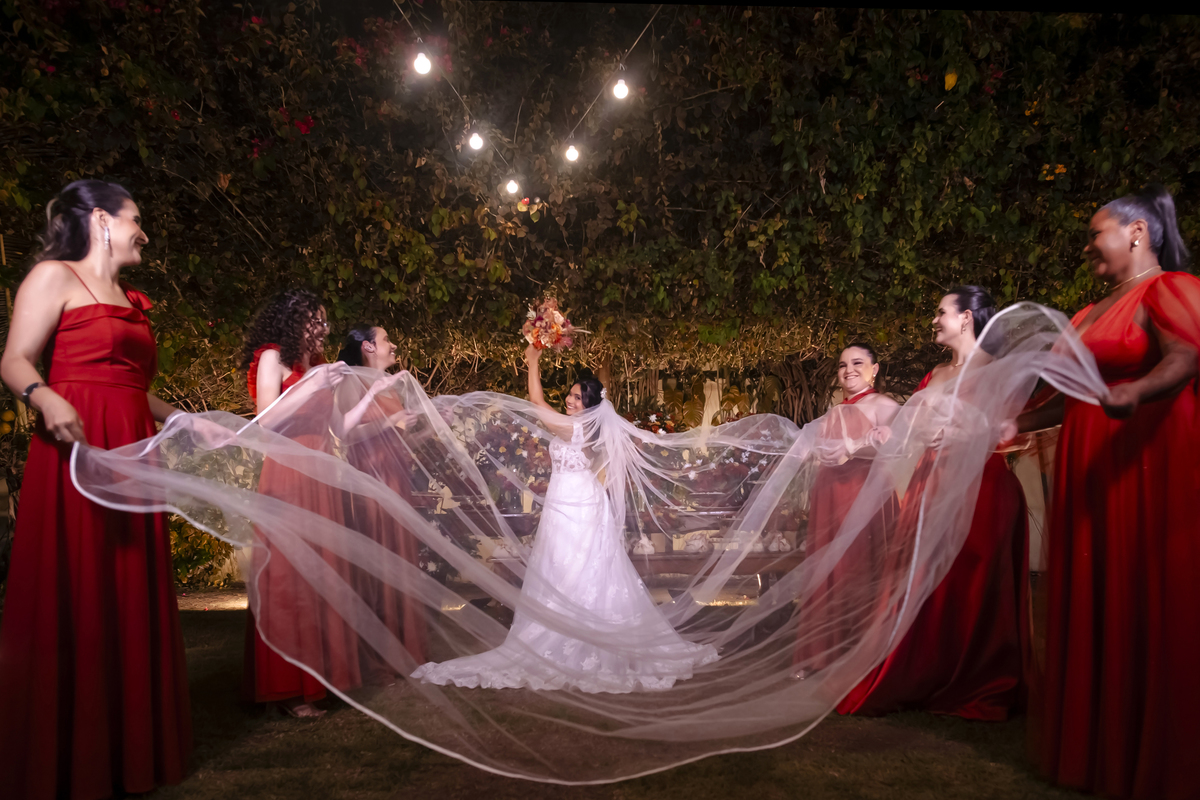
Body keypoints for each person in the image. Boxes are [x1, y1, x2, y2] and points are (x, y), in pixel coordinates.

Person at [0, 180, 191, 798]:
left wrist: (181, 420)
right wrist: (45, 394)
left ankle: (129, 748)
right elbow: (14, 360)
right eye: (138, 219)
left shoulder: (133, 300)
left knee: (128, 583)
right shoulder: (54, 277)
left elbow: (132, 385)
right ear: (103, 220)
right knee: (79, 581)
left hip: (132, 448)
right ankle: (68, 752)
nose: (145, 232)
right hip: (76, 445)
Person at [1011, 185, 1200, 799]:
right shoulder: (1089, 314)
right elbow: (1068, 394)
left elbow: (1184, 359)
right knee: (1097, 593)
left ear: (1138, 231)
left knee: (1146, 590)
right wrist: (1014, 425)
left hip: (1147, 461)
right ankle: (1103, 745)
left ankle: (1157, 751)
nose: (1089, 244)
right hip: (1088, 467)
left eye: (1098, 232)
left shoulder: (1169, 290)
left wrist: (1135, 393)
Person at [409, 343, 718, 692]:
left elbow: (536, 402)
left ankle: (573, 637)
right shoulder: (584, 428)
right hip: (575, 501)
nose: (569, 400)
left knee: (573, 570)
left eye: (576, 397)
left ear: (589, 405)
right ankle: (577, 628)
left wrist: (533, 362)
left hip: (575, 506)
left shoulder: (574, 429)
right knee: (574, 570)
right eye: (570, 394)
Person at [838, 286, 1031, 721]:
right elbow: (915, 430)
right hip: (931, 482)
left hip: (981, 485)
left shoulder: (1002, 371)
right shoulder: (935, 375)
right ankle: (926, 671)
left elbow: (1017, 431)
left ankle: (978, 677)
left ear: (966, 318)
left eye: (940, 312)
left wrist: (972, 436)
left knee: (973, 581)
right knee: (922, 579)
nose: (934, 319)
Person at [242, 290, 360, 717]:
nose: (323, 328)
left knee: (323, 572)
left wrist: (362, 391)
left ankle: (322, 678)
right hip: (288, 471)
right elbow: (265, 419)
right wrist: (311, 382)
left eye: (324, 321)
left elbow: (341, 429)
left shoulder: (319, 367)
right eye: (316, 320)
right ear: (294, 322)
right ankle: (290, 686)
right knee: (290, 574)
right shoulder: (274, 357)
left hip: (321, 473)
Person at [793, 344, 900, 679]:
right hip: (830, 494)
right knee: (828, 568)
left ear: (875, 369)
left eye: (857, 363)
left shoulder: (885, 405)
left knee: (862, 565)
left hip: (866, 493)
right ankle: (821, 653)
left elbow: (899, 447)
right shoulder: (833, 410)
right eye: (842, 365)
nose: (848, 370)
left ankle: (864, 652)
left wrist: (854, 449)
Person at [335, 325, 428, 668]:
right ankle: (373, 652)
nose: (393, 345)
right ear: (369, 347)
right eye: (387, 339)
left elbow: (402, 444)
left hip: (396, 479)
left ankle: (404, 646)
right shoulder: (350, 382)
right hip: (369, 480)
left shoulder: (393, 392)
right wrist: (389, 424)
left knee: (399, 557)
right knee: (375, 556)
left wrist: (429, 426)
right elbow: (345, 434)